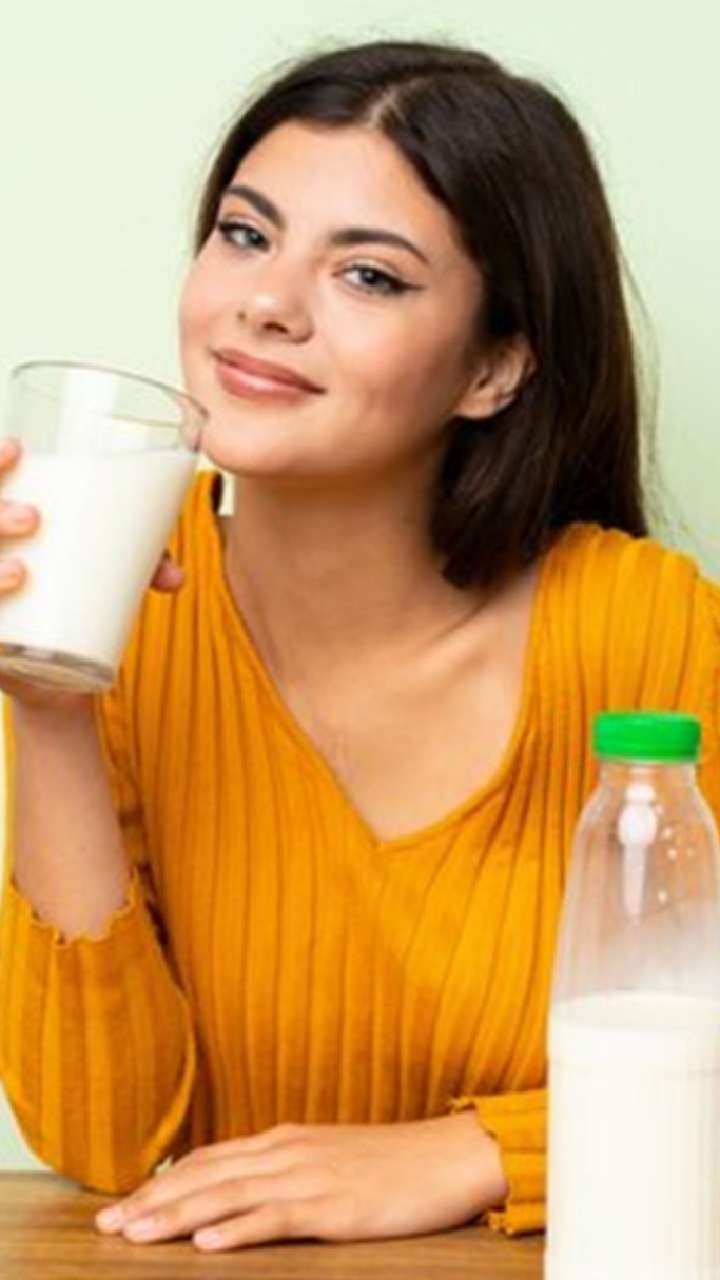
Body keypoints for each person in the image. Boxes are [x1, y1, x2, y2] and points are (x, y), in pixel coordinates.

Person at [0, 37, 718, 1255]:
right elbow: (104, 1139)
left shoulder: (646, 629)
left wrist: (469, 1151)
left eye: (369, 275)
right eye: (245, 233)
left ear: (494, 366)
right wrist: (50, 698)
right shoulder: (124, 604)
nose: (267, 303)